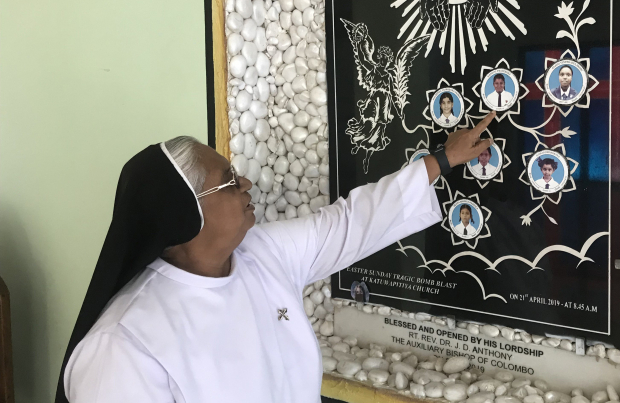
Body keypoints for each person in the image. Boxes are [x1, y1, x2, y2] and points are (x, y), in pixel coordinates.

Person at [56, 112, 496, 403]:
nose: (246, 183)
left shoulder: (260, 253)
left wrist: (441, 159)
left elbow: (347, 225)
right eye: (228, 180)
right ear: (186, 214)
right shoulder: (123, 347)